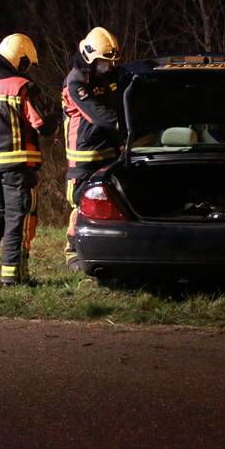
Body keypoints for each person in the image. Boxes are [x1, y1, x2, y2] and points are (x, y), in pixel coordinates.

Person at [0, 33, 57, 285]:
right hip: (17, 165)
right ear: (19, 59)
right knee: (18, 217)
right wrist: (55, 117)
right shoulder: (20, 87)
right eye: (26, 63)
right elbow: (40, 124)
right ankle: (14, 276)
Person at [61, 27, 123, 270]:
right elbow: (99, 115)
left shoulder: (107, 76)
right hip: (84, 155)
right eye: (104, 62)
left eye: (112, 62)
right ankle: (73, 252)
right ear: (89, 57)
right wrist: (127, 125)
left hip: (110, 151)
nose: (110, 67)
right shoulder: (75, 82)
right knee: (81, 202)